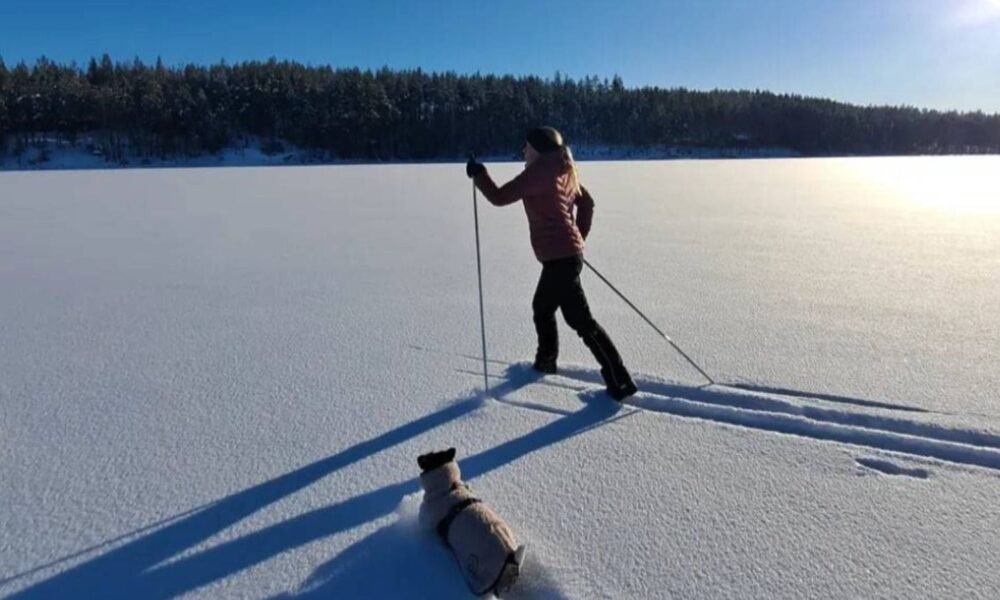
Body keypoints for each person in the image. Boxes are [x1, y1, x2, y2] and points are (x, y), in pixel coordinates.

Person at [465, 127, 638, 401]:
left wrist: (479, 174)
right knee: (546, 308)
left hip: (561, 259)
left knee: (578, 320)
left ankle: (618, 380)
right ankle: (548, 361)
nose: (523, 151)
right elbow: (587, 203)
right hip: (565, 257)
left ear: (537, 149)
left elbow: (499, 197)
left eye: (527, 146)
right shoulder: (564, 168)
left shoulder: (538, 173)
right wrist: (577, 238)